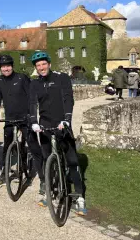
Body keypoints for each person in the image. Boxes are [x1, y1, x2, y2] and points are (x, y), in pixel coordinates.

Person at [28, 51, 87, 216]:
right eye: (38, 65)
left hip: (62, 124)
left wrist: (67, 119)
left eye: (43, 64)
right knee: (49, 160)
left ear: (49, 64)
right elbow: (32, 103)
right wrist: (33, 121)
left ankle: (80, 196)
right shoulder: (34, 84)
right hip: (45, 125)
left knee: (72, 161)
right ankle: (50, 191)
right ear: (36, 68)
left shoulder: (61, 78)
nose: (41, 67)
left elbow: (68, 99)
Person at [0, 55, 41, 186]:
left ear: (12, 66)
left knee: (29, 144)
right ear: (0, 68)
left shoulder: (22, 78)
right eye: (3, 66)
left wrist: (31, 115)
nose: (6, 68)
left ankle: (32, 170)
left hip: (24, 117)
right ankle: (4, 172)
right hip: (10, 118)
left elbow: (32, 97)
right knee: (7, 146)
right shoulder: (0, 80)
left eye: (8, 66)